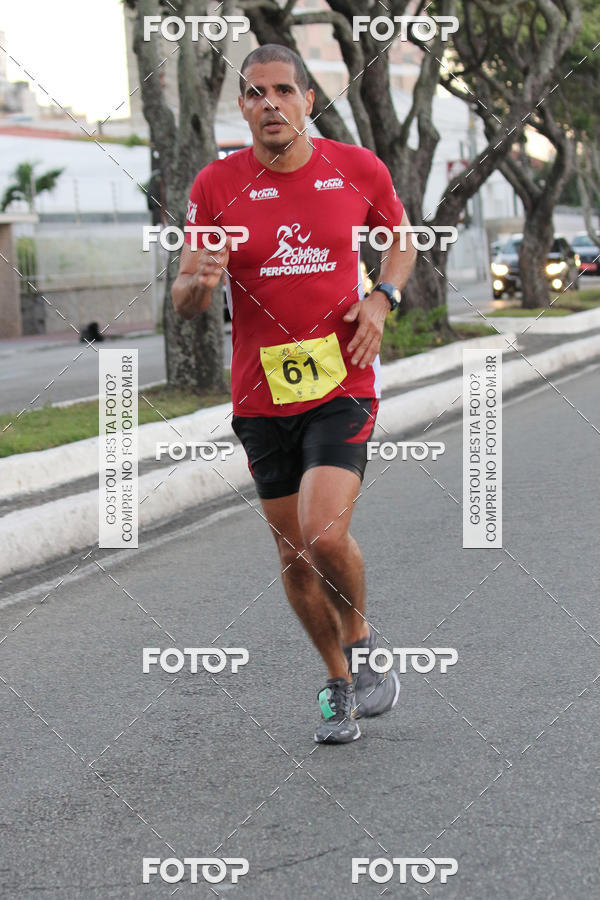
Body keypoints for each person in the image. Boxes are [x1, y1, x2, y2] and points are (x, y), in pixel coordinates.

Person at [172, 44, 417, 743]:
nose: (270, 103)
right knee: (293, 556)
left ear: (309, 100)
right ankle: (339, 680)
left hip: (341, 381)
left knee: (323, 532)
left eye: (283, 90)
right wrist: (200, 283)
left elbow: (401, 241)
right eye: (255, 93)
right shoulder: (217, 186)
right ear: (243, 106)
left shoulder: (356, 168)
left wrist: (381, 297)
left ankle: (364, 644)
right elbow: (185, 296)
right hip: (258, 395)